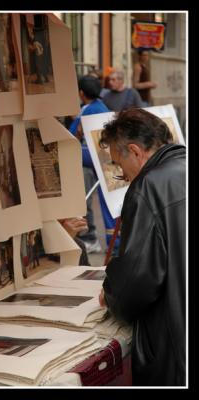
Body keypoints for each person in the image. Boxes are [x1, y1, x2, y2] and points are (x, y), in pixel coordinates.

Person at [98, 108, 186, 386]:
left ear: (135, 151)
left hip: (175, 348)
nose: (123, 176)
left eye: (119, 166)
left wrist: (111, 294)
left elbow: (137, 282)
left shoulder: (149, 187)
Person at [69, 75, 110, 254]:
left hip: (91, 161)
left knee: (82, 200)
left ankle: (89, 237)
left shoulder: (87, 111)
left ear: (81, 93)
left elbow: (70, 136)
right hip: (105, 160)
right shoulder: (102, 107)